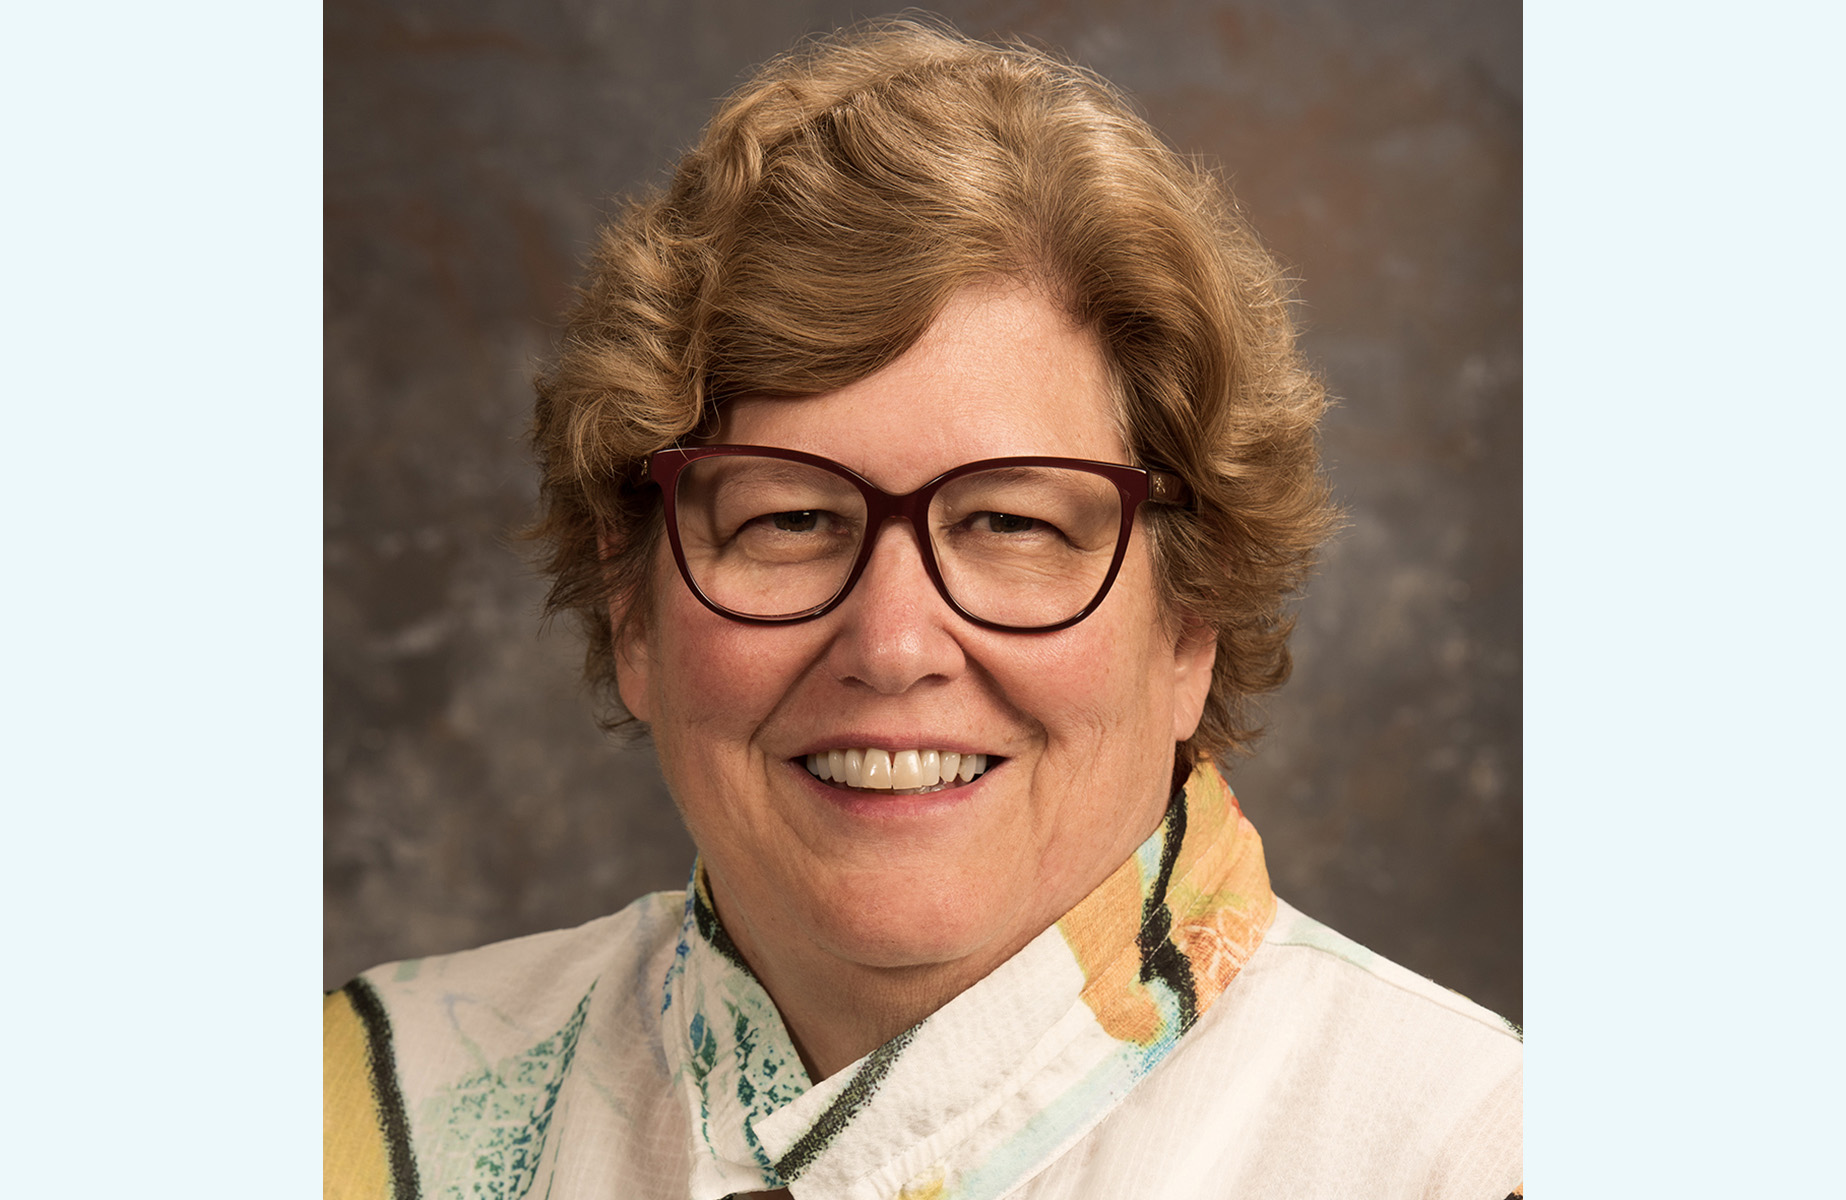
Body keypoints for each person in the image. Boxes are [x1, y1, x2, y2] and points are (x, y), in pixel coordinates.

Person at [324, 19, 1521, 1200]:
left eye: (1012, 525)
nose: (891, 646)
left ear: (1190, 625)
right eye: (788, 521)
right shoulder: (340, 1120)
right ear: (633, 613)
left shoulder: (1468, 1156)